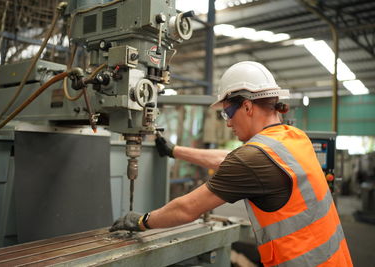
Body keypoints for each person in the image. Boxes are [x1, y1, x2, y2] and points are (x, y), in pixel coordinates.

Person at [110, 61, 353, 266]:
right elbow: (230, 161)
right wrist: (174, 151)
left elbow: (187, 209)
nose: (227, 123)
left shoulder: (252, 159)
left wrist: (142, 221)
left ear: (247, 106)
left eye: (227, 113)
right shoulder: (294, 138)